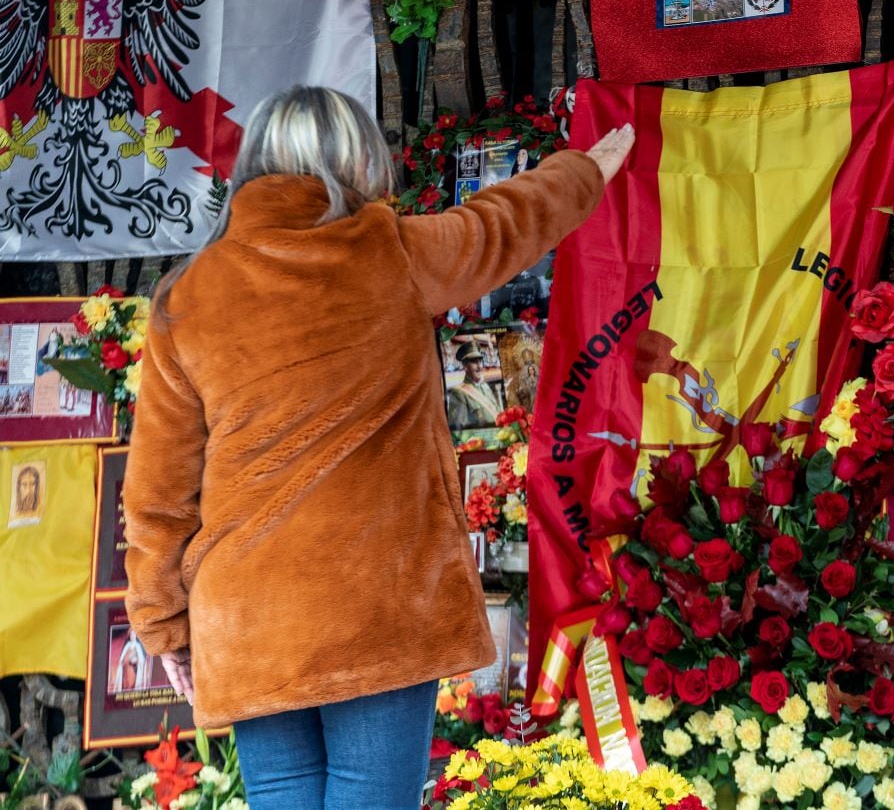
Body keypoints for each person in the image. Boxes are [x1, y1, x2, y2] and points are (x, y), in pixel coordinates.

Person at [122, 85, 633, 810]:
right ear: (356, 159)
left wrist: (164, 627)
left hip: (250, 619)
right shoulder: (391, 251)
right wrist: (592, 164)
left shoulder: (186, 297)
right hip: (377, 608)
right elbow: (506, 223)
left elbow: (155, 494)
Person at [447, 339, 504, 430]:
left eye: (480, 361)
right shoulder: (458, 393)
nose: (480, 366)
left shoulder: (485, 387)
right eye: (474, 362)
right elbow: (460, 431)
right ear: (465, 366)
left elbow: (498, 413)